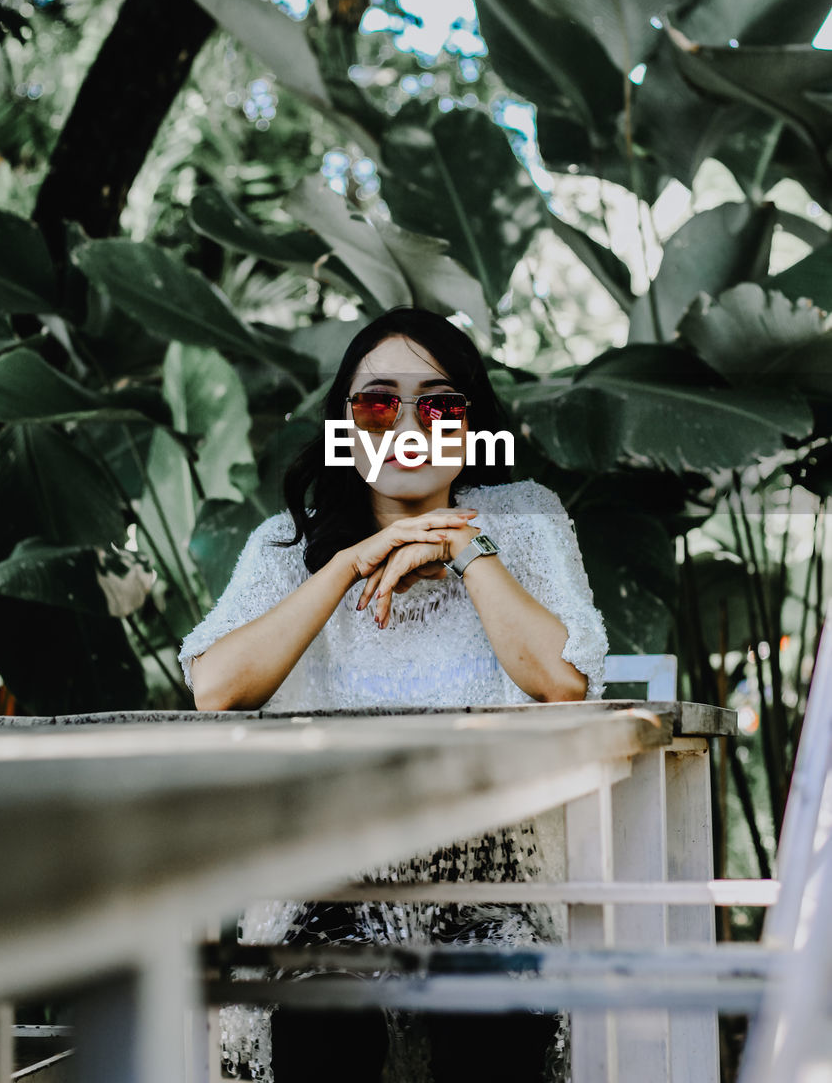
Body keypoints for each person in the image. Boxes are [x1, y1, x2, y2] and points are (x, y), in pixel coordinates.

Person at [178, 306, 608, 1083]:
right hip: (326, 887)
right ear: (345, 424)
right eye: (378, 402)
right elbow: (215, 687)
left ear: (470, 426)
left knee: (490, 1016)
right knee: (325, 1017)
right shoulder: (286, 545)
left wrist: (465, 547)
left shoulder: (528, 525)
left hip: (493, 886)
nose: (408, 423)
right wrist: (344, 565)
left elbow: (562, 679)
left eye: (439, 403)